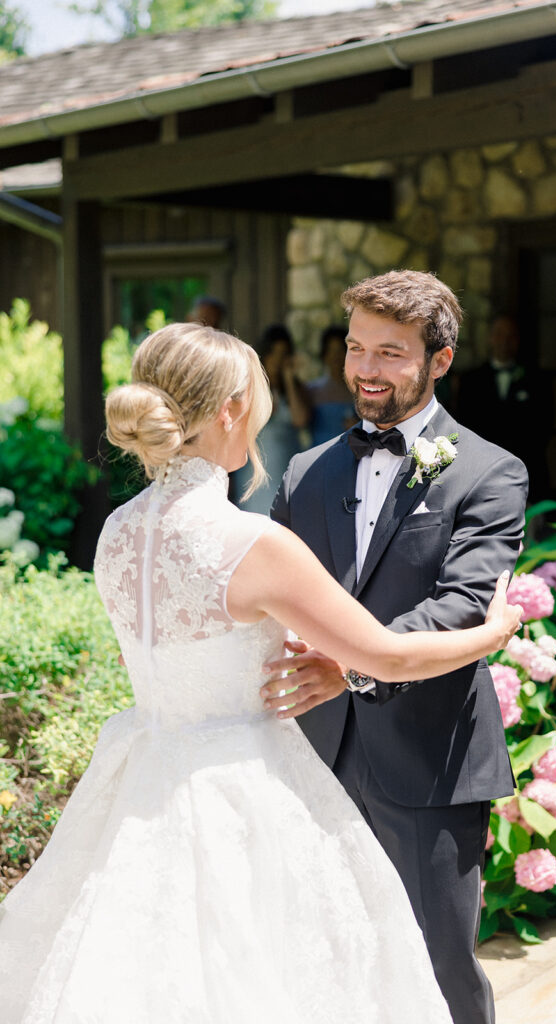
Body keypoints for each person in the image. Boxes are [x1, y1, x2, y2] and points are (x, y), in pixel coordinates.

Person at [0, 321, 522, 1024]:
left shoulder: (117, 531)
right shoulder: (248, 542)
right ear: (229, 412)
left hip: (141, 777)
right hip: (243, 791)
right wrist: (496, 629)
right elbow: (386, 655)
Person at [266, 271, 529, 1024]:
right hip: (310, 756)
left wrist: (344, 663)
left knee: (437, 967)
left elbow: (460, 609)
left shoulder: (489, 472)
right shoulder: (304, 474)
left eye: (390, 353)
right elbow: (276, 597)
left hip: (428, 757)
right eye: (355, 348)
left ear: (438, 361)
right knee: (325, 961)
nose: (365, 371)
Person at [454, 313, 552, 502]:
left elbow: (544, 425)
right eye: (499, 335)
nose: (505, 342)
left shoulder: (537, 380)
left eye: (511, 336)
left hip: (527, 472)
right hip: (481, 473)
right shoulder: (471, 380)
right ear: (490, 338)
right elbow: (464, 425)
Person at [236, 323, 309, 513]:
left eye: (283, 354)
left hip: (287, 463)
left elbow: (300, 420)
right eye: (274, 353)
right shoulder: (248, 385)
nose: (277, 359)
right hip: (255, 467)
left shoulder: (295, 387)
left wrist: (288, 378)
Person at [307, 324, 356, 445]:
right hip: (319, 458)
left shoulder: (360, 390)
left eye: (340, 350)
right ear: (324, 354)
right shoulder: (312, 390)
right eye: (331, 350)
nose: (335, 356)